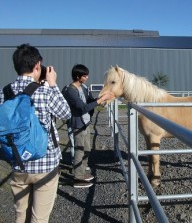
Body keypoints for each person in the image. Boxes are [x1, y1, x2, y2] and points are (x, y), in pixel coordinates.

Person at [0, 44, 71, 223]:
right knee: (39, 218)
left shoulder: (5, 93)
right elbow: (66, 113)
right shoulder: (45, 92)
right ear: (37, 65)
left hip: (17, 162)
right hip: (45, 164)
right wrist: (53, 84)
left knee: (20, 215)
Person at [63, 64, 113, 188]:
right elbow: (82, 108)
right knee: (79, 149)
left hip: (86, 123)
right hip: (78, 124)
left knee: (87, 149)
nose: (87, 77)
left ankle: (82, 171)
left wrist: (100, 99)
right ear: (78, 76)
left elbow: (90, 101)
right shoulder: (70, 91)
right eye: (84, 76)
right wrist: (99, 101)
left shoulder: (84, 87)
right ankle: (78, 178)